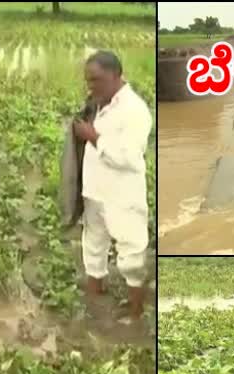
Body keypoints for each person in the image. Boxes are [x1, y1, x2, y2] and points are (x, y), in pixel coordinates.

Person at [72, 51, 152, 320]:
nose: (91, 86)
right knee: (93, 243)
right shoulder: (97, 104)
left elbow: (129, 157)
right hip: (94, 191)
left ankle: (136, 311)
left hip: (122, 195)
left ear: (116, 75)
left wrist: (93, 137)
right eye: (88, 80)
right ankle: (95, 295)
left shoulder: (134, 110)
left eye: (96, 79)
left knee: (131, 250)